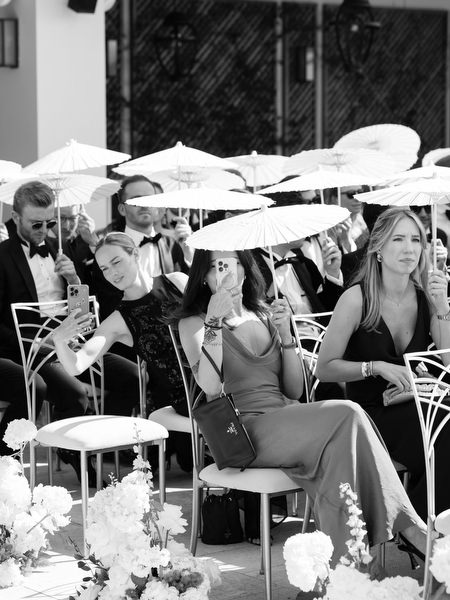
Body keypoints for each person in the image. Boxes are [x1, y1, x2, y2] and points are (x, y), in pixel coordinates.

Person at [175, 247, 429, 565]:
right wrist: (214, 320)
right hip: (244, 430)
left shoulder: (265, 313)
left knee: (339, 457)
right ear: (202, 277)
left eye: (232, 264)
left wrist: (285, 336)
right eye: (215, 267)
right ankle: (409, 528)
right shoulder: (195, 322)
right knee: (349, 412)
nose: (225, 274)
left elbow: (294, 390)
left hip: (284, 418)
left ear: (245, 269)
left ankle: (340, 570)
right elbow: (211, 386)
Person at [0, 181, 140, 483]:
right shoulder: (2, 256)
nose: (44, 230)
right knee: (74, 393)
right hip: (30, 348)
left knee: (132, 376)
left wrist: (75, 277)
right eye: (36, 224)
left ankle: (100, 444)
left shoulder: (60, 250)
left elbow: (84, 311)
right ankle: (62, 458)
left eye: (49, 222)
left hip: (75, 341)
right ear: (15, 216)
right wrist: (36, 340)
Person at [316, 206, 450, 521]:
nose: (409, 248)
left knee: (444, 426)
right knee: (446, 430)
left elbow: (446, 361)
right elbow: (324, 368)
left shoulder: (425, 297)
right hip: (371, 416)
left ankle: (426, 524)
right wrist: (374, 367)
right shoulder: (356, 299)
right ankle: (419, 526)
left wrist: (443, 309)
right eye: (398, 239)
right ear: (378, 247)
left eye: (416, 240)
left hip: (418, 404)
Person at [50, 232, 193, 472]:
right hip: (185, 398)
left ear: (135, 254)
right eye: (104, 269)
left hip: (218, 378)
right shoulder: (118, 321)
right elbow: (77, 365)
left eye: (116, 262)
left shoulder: (177, 281)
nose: (112, 273)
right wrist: (59, 340)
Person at [93, 175, 193, 319]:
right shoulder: (107, 251)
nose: (144, 204)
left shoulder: (172, 245)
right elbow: (108, 303)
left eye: (149, 199)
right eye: (136, 200)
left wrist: (189, 255)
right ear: (122, 209)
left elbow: (188, 294)